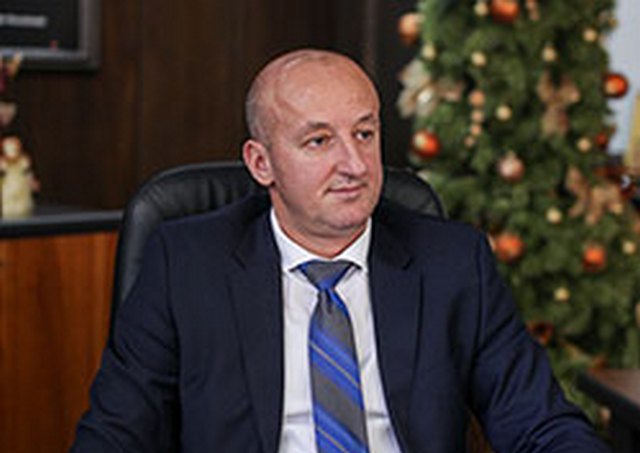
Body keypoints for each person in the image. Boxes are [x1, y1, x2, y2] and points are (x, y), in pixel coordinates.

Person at [71, 49, 610, 452]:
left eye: (365, 134)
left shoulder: (452, 261)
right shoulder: (186, 263)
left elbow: (541, 424)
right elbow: (117, 434)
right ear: (261, 163)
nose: (354, 165)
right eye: (319, 141)